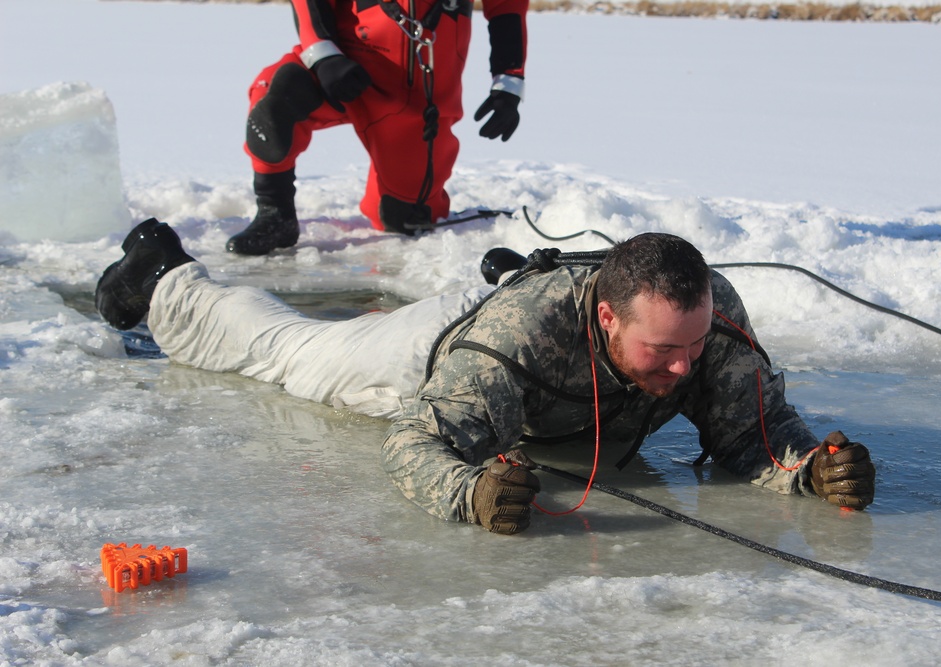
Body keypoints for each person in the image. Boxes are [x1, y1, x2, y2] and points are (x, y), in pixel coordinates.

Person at [95, 220, 877, 534]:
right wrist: (469, 493)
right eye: (663, 351)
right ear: (609, 319)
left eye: (693, 344)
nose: (686, 364)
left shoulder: (708, 321)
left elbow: (754, 433)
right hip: (433, 348)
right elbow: (416, 440)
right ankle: (166, 275)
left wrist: (813, 471)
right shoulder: (520, 339)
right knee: (288, 353)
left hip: (521, 340)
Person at [227, 0, 528, 256]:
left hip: (416, 99)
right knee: (275, 97)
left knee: (403, 220)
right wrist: (323, 55)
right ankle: (274, 213)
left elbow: (506, 7)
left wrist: (509, 81)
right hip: (344, 66)